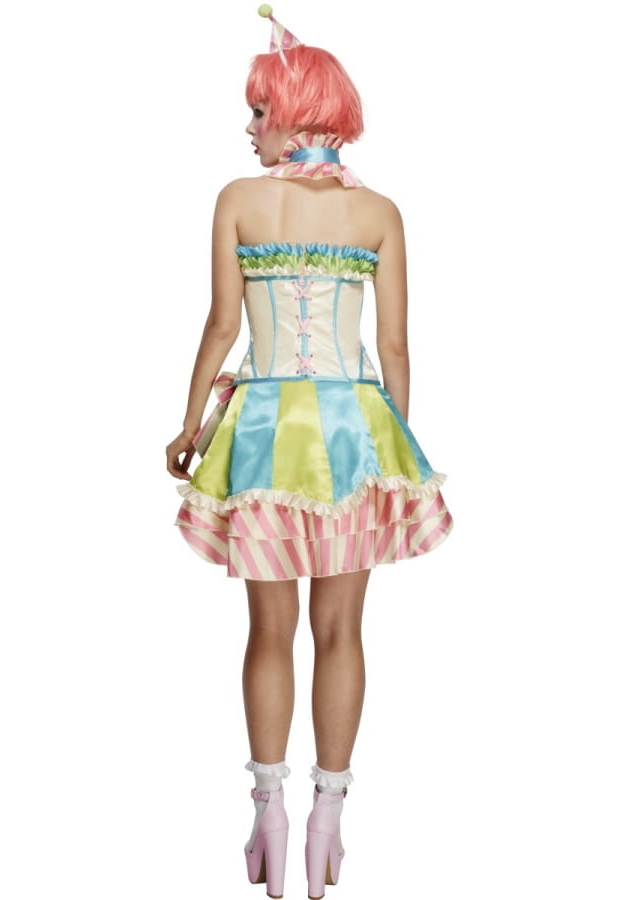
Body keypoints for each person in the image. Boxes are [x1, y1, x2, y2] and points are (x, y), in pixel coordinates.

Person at [165, 7, 453, 898]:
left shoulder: (239, 201)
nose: (249, 126)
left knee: (269, 629)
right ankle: (330, 814)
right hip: (351, 429)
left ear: (295, 114)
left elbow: (223, 325)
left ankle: (269, 810)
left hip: (264, 434)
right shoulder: (380, 213)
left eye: (259, 111)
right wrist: (394, 451)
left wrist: (189, 424)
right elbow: (394, 347)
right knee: (341, 630)